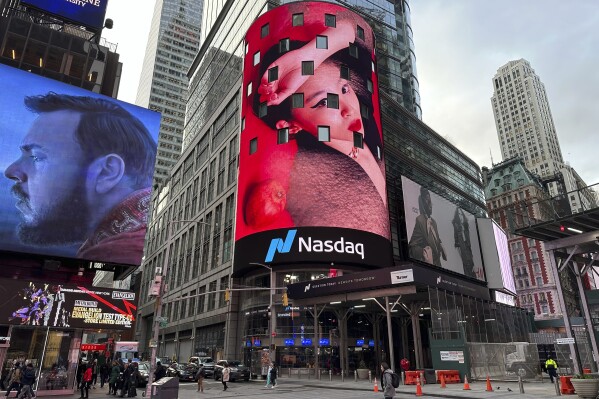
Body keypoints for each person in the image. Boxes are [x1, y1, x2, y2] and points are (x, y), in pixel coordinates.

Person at [240, 9, 389, 240]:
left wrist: (309, 56)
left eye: (343, 89)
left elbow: (357, 32)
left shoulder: (366, 118)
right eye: (322, 102)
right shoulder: (310, 182)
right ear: (292, 126)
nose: (349, 108)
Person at [4, 93, 157, 265]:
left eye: (37, 157)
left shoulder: (119, 251)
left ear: (107, 172)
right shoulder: (135, 236)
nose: (11, 171)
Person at [408, 187, 447, 267]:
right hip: (429, 267)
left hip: (438, 265)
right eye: (426, 199)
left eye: (430, 200)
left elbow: (436, 238)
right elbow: (412, 247)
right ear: (422, 202)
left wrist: (441, 245)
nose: (430, 204)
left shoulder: (434, 222)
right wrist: (424, 252)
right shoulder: (420, 220)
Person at [453, 207, 476, 278]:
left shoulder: (466, 225)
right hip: (462, 248)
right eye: (459, 214)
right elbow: (456, 241)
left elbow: (471, 239)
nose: (460, 216)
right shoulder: (456, 225)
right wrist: (460, 254)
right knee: (466, 265)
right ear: (457, 215)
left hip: (468, 247)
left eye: (461, 214)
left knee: (472, 265)